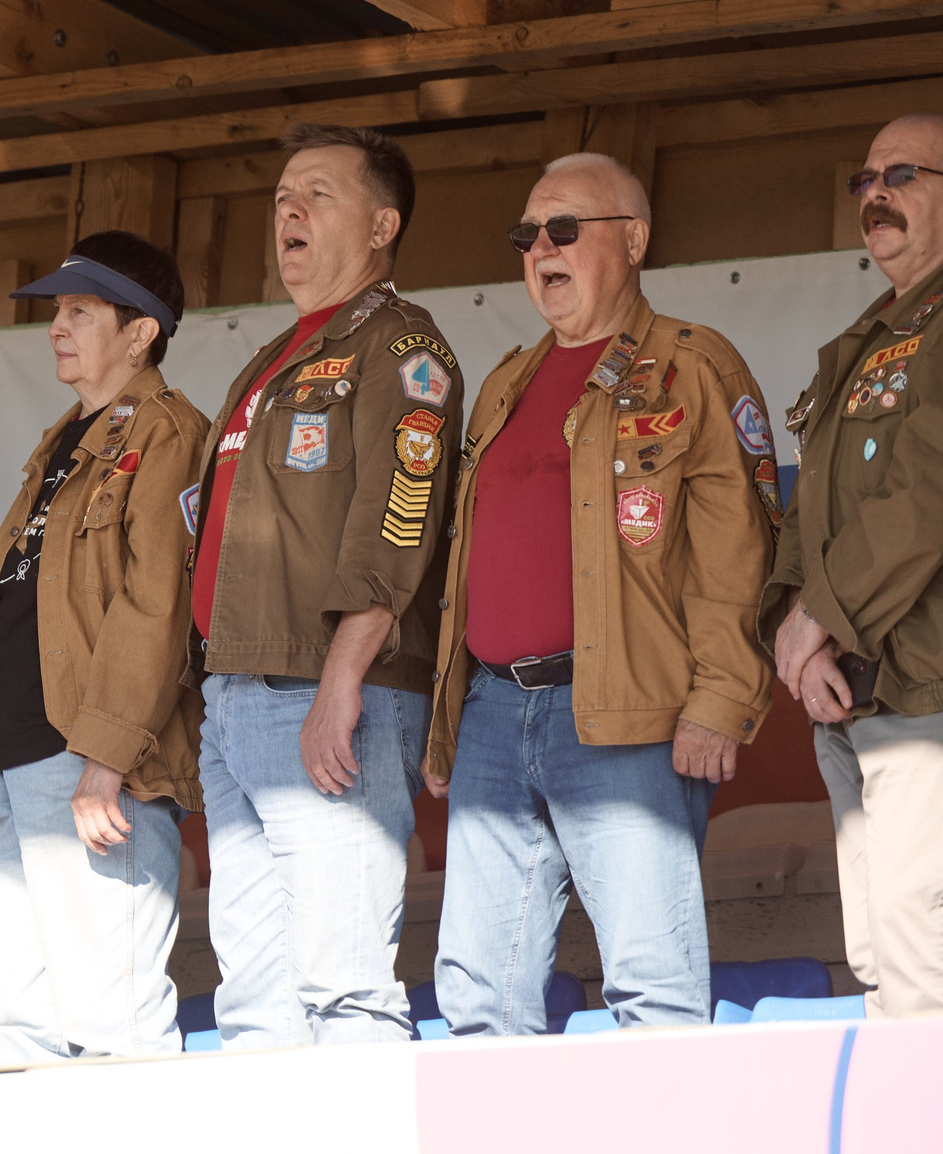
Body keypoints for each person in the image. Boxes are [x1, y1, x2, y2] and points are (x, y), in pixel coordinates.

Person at [425, 154, 777, 1035]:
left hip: (630, 714)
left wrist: (722, 699)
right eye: (526, 234)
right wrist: (445, 720)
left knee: (652, 985)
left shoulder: (694, 365)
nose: (539, 247)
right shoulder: (505, 380)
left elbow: (740, 551)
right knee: (476, 993)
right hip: (495, 713)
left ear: (635, 241)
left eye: (564, 229)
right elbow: (464, 563)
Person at [189, 123, 462, 1048]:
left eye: (317, 194)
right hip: (235, 695)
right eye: (280, 198)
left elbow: (401, 511)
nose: (289, 211)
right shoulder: (270, 358)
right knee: (255, 1004)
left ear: (382, 224)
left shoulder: (400, 348)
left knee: (344, 986)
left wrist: (343, 678)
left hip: (326, 690)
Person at [0, 232, 205, 1060]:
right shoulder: (63, 439)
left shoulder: (167, 432)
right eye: (56, 310)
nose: (57, 325)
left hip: (86, 766)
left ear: (141, 330)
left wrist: (107, 759)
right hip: (22, 763)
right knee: (19, 1033)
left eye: (80, 309)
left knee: (112, 1026)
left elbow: (155, 603)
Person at [767, 112, 943, 1018]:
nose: (876, 194)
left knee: (923, 952)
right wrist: (795, 634)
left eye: (903, 175)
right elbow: (809, 512)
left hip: (927, 690)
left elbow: (924, 490)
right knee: (879, 955)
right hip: (851, 686)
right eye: (866, 180)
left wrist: (818, 619)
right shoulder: (868, 335)